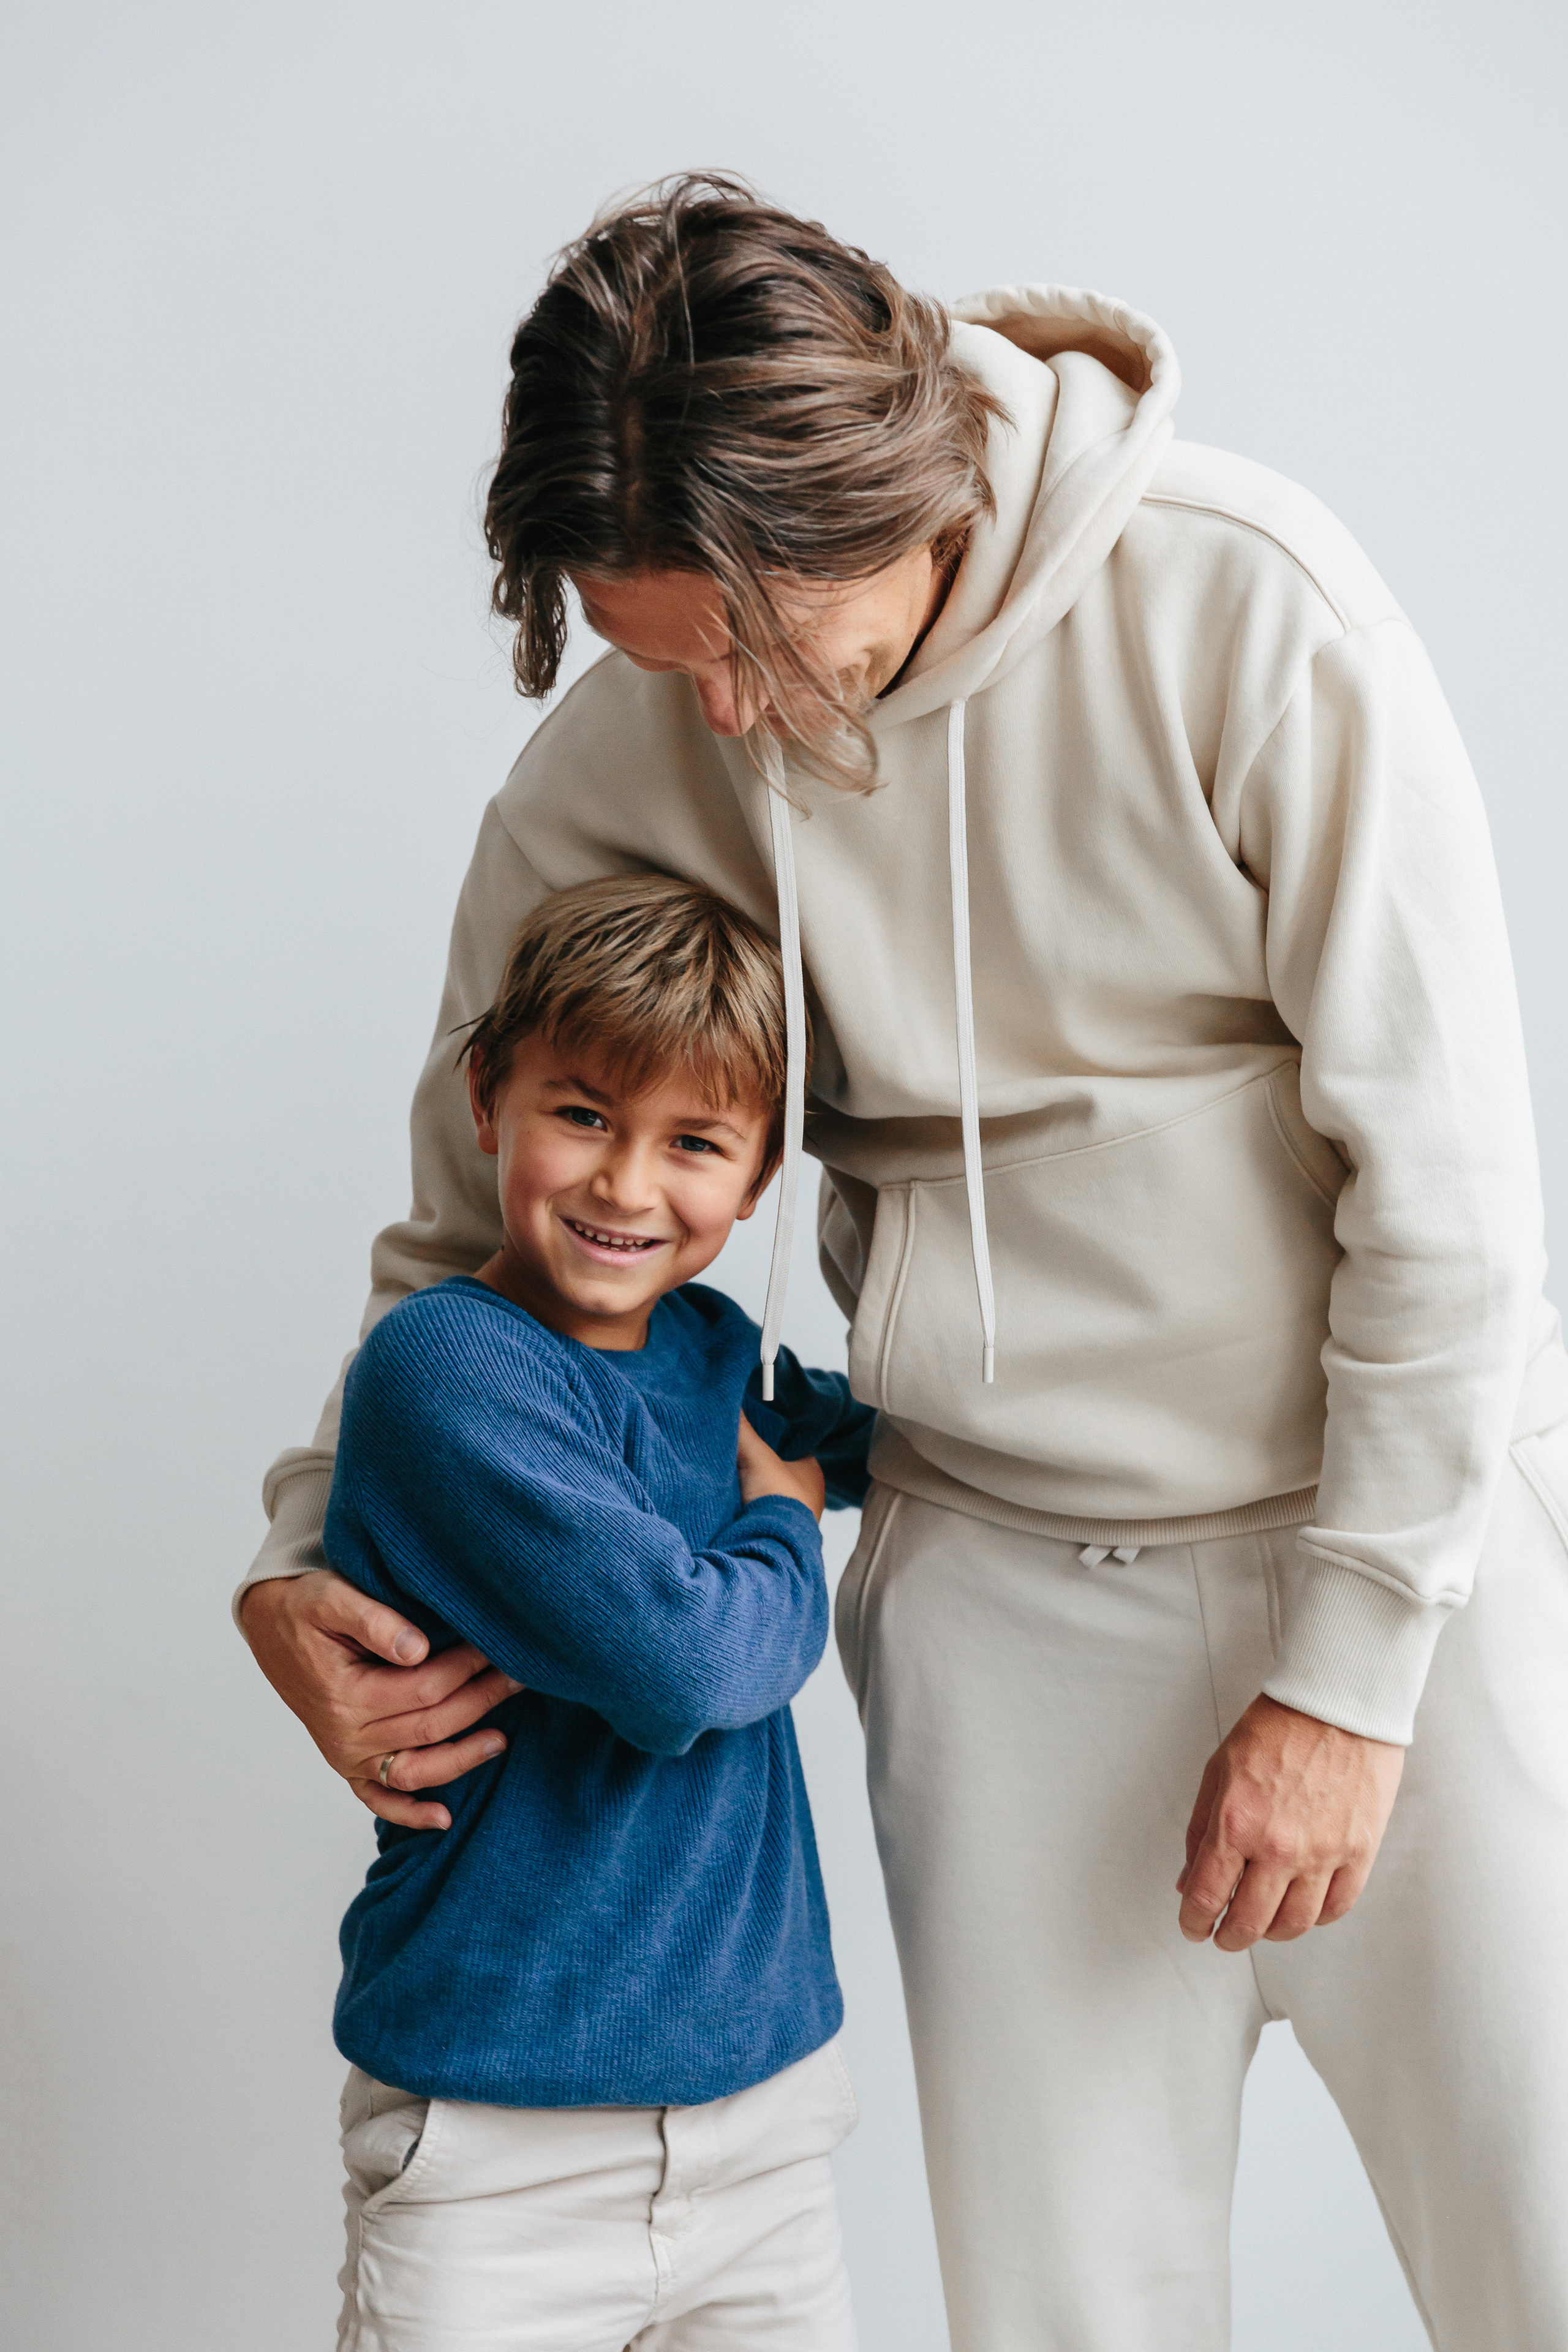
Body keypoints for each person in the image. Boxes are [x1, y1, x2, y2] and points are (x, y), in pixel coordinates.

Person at [240, 176, 1568, 2349]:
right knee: (1069, 2318)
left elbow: (1452, 1189)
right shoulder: (640, 744)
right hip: (1004, 1592)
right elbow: (467, 1243)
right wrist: (311, 1557)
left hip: (1413, 1565)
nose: (722, 720)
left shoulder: (1252, 609)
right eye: (662, 660)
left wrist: (1348, 1674)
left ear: (892, 495)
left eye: (757, 648)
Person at [326, 870, 872, 2349]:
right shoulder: (448, 1370)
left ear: (758, 1179)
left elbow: (904, 1437)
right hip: (499, 2145)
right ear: (486, 1098)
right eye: (582, 1114)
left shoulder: (710, 1347)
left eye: (692, 1142)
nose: (627, 1186)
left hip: (761, 2121)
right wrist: (782, 1516)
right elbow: (685, 1665)